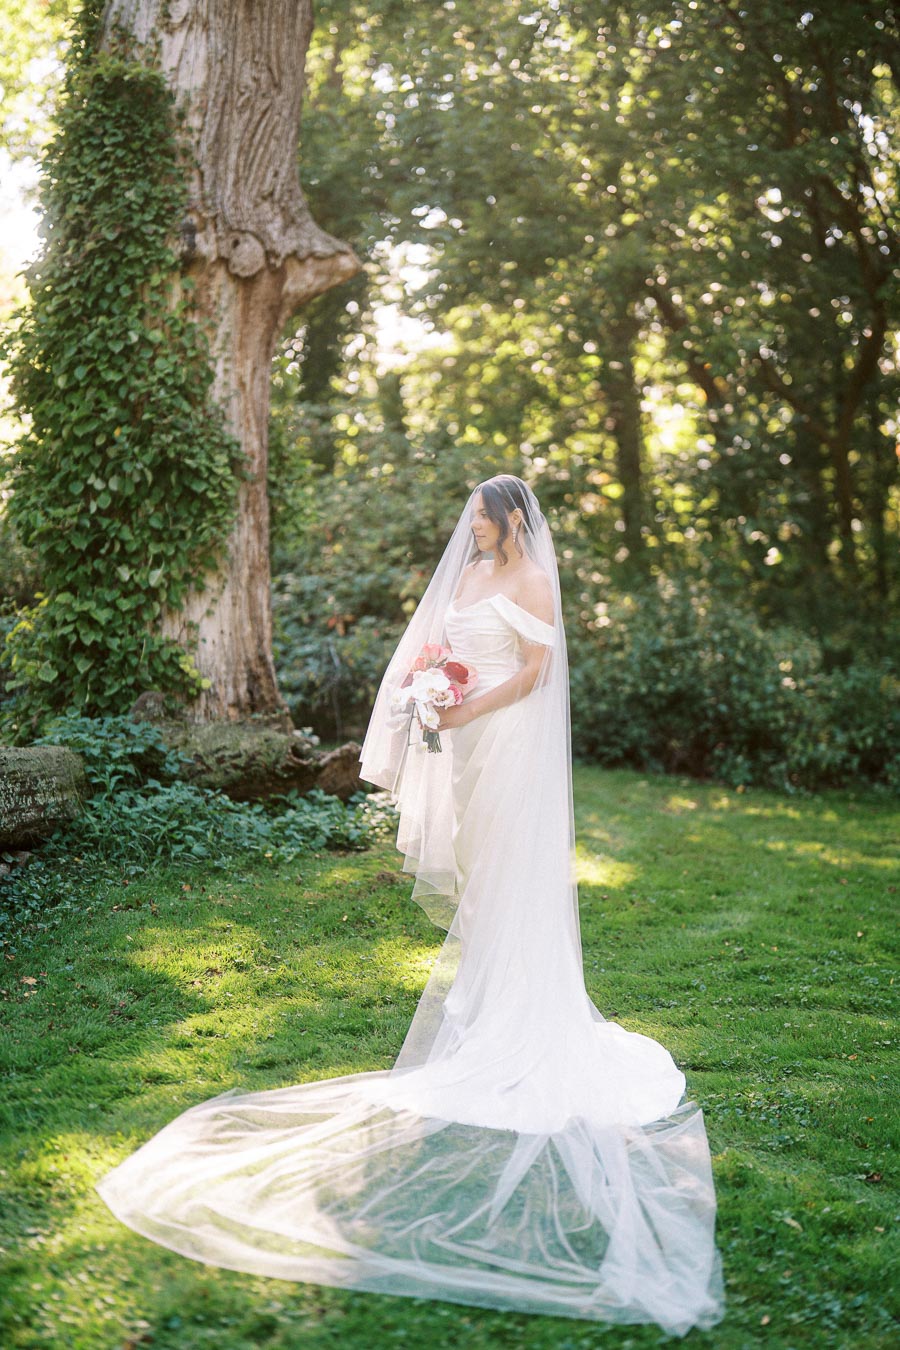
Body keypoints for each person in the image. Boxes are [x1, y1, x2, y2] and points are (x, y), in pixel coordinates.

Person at [96, 474, 725, 1337]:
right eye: (469, 517)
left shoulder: (533, 582)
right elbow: (434, 648)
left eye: (480, 516)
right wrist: (426, 692)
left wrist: (468, 706)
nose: (470, 528)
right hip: (465, 744)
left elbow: (537, 673)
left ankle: (522, 1012)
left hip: (503, 742)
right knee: (476, 870)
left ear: (512, 521)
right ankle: (492, 999)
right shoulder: (467, 577)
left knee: (508, 873)